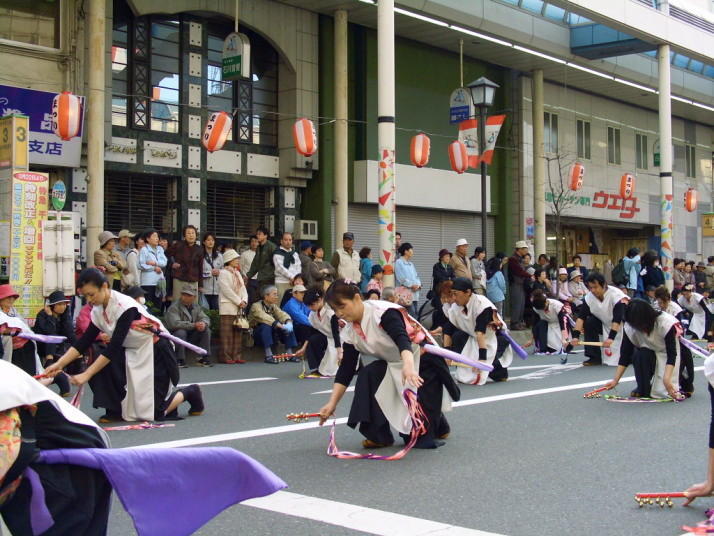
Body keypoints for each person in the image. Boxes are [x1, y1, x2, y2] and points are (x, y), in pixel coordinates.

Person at [44, 268, 204, 422]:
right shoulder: (97, 311)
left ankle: (190, 392)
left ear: (104, 286)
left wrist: (86, 374)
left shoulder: (124, 306)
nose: (89, 300)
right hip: (131, 350)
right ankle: (115, 409)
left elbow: (113, 348)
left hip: (155, 350)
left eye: (91, 294)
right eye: (85, 296)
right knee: (99, 358)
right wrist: (58, 365)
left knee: (154, 412)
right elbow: (84, 342)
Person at [317, 280, 460, 450]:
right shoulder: (349, 330)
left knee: (417, 439)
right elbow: (347, 368)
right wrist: (331, 403)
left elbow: (402, 339)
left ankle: (437, 423)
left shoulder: (382, 312)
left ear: (356, 298)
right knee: (368, 375)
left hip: (421, 359)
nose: (339, 313)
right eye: (335, 310)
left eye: (342, 306)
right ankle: (378, 435)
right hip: (394, 362)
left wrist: (408, 367)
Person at [602, 299, 681, 399]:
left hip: (669, 354)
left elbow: (672, 354)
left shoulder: (666, 323)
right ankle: (644, 386)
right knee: (639, 354)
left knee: (666, 391)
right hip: (650, 352)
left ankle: (684, 381)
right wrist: (615, 380)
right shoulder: (630, 326)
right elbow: (625, 355)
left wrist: (667, 379)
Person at [444, 277, 512, 384]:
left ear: (468, 292)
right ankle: (464, 369)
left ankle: (498, 369)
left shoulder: (482, 304)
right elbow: (448, 330)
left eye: (456, 294)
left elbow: (480, 333)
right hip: (473, 338)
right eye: (452, 294)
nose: (453, 297)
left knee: (498, 373)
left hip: (492, 338)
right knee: (458, 336)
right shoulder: (455, 307)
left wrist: (482, 360)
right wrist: (447, 354)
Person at [570, 272, 629, 366]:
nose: (593, 290)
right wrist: (575, 336)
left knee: (628, 357)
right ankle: (594, 357)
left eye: (595, 287)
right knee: (589, 322)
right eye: (590, 287)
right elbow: (581, 318)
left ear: (604, 285)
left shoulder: (616, 295)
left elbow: (617, 319)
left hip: (625, 326)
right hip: (605, 324)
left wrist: (611, 338)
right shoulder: (589, 298)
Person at [33, 290, 76, 397]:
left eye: (64, 304)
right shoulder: (42, 315)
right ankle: (50, 360)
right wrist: (50, 316)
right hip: (43, 344)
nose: (63, 307)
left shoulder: (65, 315)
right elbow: (49, 332)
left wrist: (79, 349)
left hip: (57, 345)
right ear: (52, 305)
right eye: (59, 304)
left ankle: (61, 377)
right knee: (52, 337)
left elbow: (69, 333)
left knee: (69, 342)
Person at [655, 286, 695, 396]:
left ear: (668, 299)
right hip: (659, 338)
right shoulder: (655, 307)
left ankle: (686, 384)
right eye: (659, 302)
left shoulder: (676, 309)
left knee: (684, 357)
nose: (661, 305)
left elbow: (681, 328)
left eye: (663, 302)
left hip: (676, 337)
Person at [296, 288, 341, 377]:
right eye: (308, 306)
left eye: (312, 305)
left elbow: (336, 333)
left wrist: (339, 351)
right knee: (313, 340)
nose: (310, 308)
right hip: (328, 337)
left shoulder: (331, 312)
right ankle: (316, 367)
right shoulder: (313, 314)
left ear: (320, 300)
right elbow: (311, 332)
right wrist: (303, 348)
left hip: (341, 338)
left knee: (333, 369)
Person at [248, 285, 298, 364]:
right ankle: (268, 355)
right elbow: (264, 317)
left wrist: (288, 321)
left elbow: (281, 314)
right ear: (266, 296)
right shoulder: (256, 306)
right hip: (257, 335)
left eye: (277, 294)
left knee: (287, 326)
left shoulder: (273, 306)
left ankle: (289, 354)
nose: (277, 296)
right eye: (274, 294)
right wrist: (279, 325)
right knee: (266, 325)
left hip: (270, 334)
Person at [164, 288, 213, 368]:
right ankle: (180, 359)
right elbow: (174, 324)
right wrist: (194, 325)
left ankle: (204, 357)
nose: (185, 297)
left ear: (194, 297)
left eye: (188, 295)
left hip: (190, 335)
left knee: (206, 330)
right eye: (183, 294)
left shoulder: (196, 306)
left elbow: (205, 318)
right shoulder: (174, 307)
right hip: (175, 335)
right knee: (181, 332)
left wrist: (203, 324)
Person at [217, 249, 248, 365]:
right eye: (235, 259)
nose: (237, 261)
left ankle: (237, 355)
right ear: (229, 260)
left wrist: (244, 300)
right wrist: (238, 301)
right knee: (227, 334)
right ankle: (226, 356)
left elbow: (243, 288)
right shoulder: (223, 273)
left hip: (238, 306)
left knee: (238, 332)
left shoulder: (237, 273)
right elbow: (226, 290)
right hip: (227, 306)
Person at [166, 225, 203, 302]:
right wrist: (172, 264)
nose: (191, 235)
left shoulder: (199, 249)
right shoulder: (178, 245)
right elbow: (165, 255)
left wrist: (200, 284)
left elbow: (200, 267)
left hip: (193, 279)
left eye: (193, 233)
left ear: (196, 235)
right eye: (188, 233)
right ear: (184, 236)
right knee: (178, 302)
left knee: (193, 304)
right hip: (179, 279)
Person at [531, 289, 570, 354]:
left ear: (546, 302)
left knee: (559, 348)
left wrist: (564, 339)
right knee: (541, 323)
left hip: (561, 326)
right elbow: (535, 324)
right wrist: (531, 339)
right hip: (548, 325)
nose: (543, 310)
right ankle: (541, 347)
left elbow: (563, 322)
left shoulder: (556, 305)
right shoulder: (536, 307)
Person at [138, 229, 167, 312]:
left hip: (159, 282)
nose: (157, 238)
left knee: (158, 306)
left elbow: (164, 262)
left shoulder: (160, 249)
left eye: (157, 236)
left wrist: (154, 263)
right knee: (148, 305)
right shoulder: (144, 250)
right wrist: (154, 268)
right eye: (154, 236)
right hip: (148, 282)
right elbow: (141, 265)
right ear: (147, 239)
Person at [508, 240, 532, 330]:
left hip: (521, 283)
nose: (526, 251)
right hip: (515, 283)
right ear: (520, 249)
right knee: (517, 304)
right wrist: (529, 275)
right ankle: (514, 323)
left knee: (521, 304)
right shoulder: (513, 259)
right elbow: (518, 271)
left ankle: (519, 322)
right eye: (525, 248)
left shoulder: (520, 259)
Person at [272, 232, 302, 301]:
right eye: (286, 240)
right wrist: (293, 278)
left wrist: (297, 279)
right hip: (281, 282)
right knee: (281, 304)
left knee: (294, 303)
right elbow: (280, 268)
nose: (288, 242)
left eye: (290, 240)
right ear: (281, 241)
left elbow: (299, 266)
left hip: (295, 283)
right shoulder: (277, 253)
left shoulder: (295, 254)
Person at [247, 226, 278, 291]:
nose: (257, 236)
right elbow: (255, 263)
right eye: (257, 234)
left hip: (270, 278)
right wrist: (248, 276)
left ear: (265, 236)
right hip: (261, 278)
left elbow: (277, 262)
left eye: (259, 234)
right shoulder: (259, 247)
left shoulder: (271, 246)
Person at [395, 242, 421, 317]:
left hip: (415, 293)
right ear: (406, 251)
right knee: (411, 316)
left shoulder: (411, 264)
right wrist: (411, 285)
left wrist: (418, 285)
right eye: (411, 250)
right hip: (405, 294)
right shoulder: (399, 262)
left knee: (415, 314)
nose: (412, 252)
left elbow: (417, 276)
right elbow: (401, 278)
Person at [200, 232, 224, 310]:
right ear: (204, 242)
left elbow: (223, 271)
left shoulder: (219, 256)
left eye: (212, 240)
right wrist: (210, 273)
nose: (211, 242)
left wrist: (219, 272)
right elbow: (198, 273)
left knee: (216, 313)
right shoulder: (200, 255)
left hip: (217, 291)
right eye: (208, 240)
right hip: (204, 290)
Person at [240, 234, 259, 303]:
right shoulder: (244, 254)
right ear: (250, 243)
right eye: (252, 241)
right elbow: (241, 267)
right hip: (249, 281)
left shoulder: (262, 254)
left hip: (260, 280)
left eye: (256, 241)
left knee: (258, 300)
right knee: (251, 299)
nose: (254, 243)